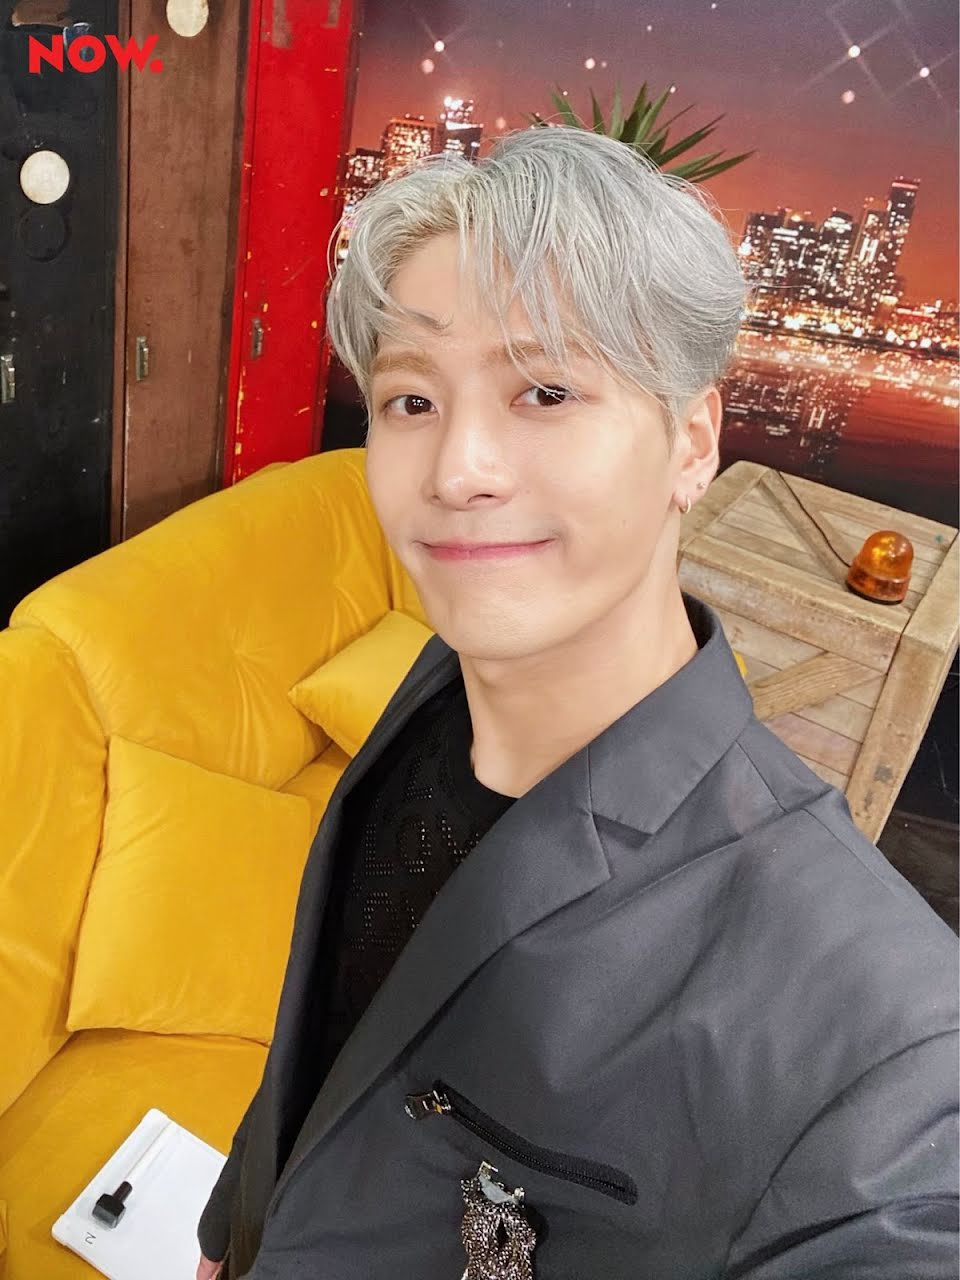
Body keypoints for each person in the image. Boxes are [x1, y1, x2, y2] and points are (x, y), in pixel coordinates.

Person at [195, 126, 959, 1280]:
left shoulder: (883, 1037)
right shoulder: (432, 696)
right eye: (411, 399)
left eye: (546, 390)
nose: (459, 469)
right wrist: (231, 1228)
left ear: (690, 442)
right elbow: (332, 1031)